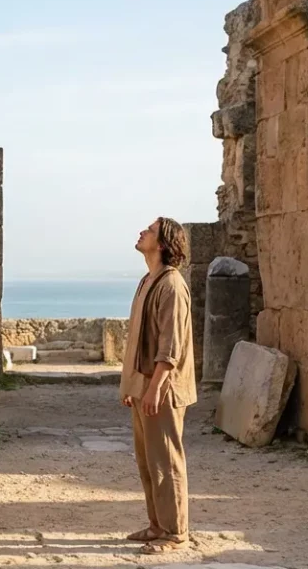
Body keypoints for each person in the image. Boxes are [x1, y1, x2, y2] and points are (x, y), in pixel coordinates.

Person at [119, 217, 197, 554]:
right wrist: (133, 386)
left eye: (149, 230)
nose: (141, 232)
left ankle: (174, 533)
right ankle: (157, 525)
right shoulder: (147, 280)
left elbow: (171, 346)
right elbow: (138, 338)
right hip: (143, 387)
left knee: (166, 461)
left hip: (163, 389)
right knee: (148, 461)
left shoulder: (173, 286)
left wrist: (154, 389)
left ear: (162, 244)